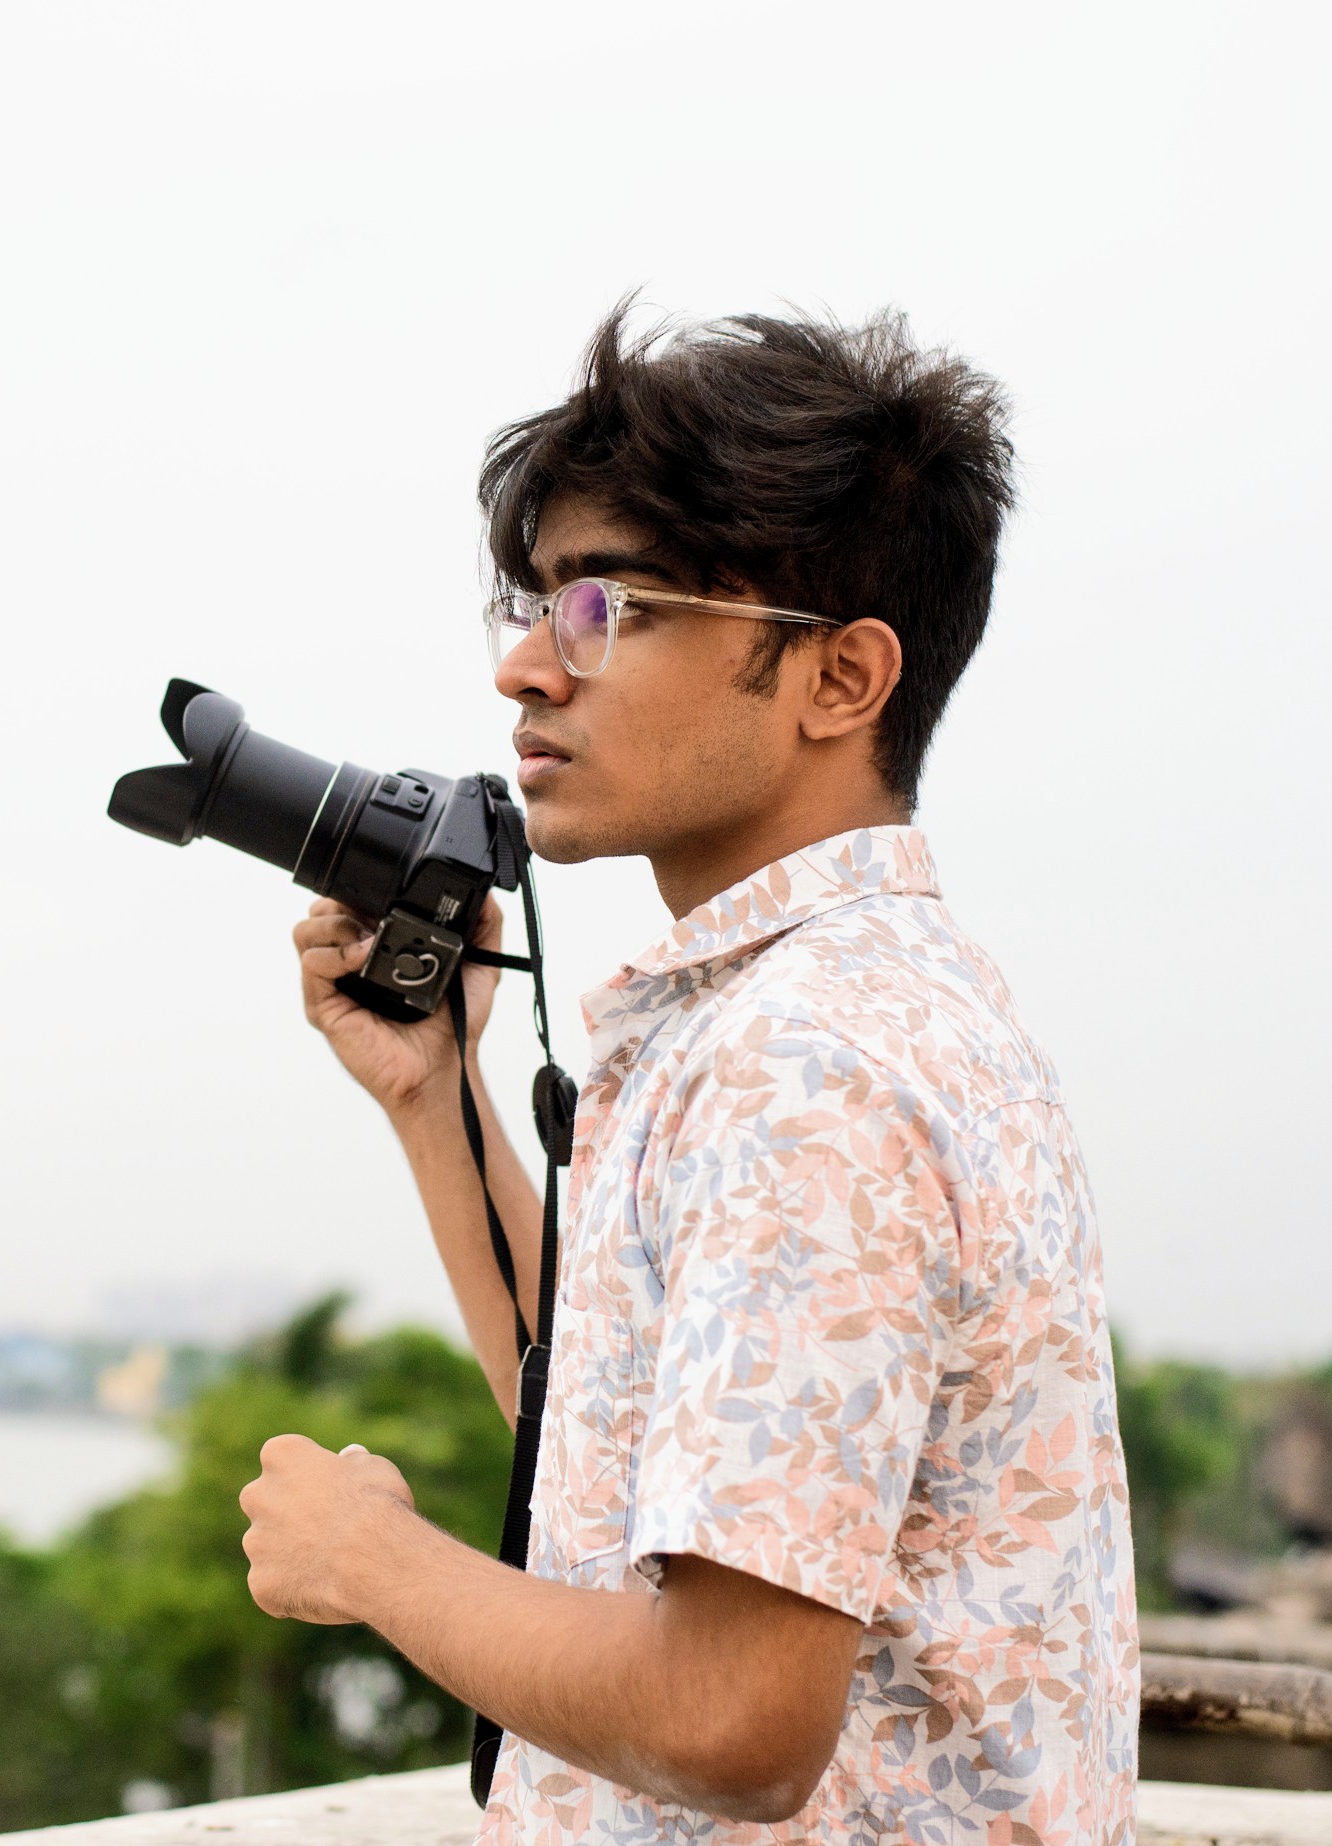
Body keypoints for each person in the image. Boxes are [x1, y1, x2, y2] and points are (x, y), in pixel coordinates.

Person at [236, 308, 1137, 1844]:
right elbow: (624, 1439)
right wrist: (436, 1099)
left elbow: (733, 1717)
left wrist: (371, 1557)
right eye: (536, 603)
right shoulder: (842, 1003)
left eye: (609, 605)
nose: (527, 666)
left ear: (839, 677)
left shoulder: (811, 1069)